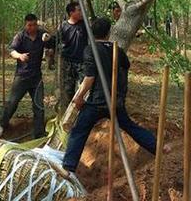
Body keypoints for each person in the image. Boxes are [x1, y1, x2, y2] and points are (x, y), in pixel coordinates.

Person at [61, 17, 168, 174]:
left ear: (91, 32)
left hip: (97, 102)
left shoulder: (90, 49)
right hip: (115, 100)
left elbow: (89, 77)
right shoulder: (117, 49)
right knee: (131, 127)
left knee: (79, 130)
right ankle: (159, 148)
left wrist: (79, 97)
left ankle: (68, 167)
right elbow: (126, 65)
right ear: (108, 32)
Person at [0, 14, 54, 139]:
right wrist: (20, 56)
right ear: (25, 24)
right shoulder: (20, 36)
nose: (32, 27)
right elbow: (11, 50)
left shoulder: (42, 34)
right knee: (12, 102)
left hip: (36, 77)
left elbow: (52, 43)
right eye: (29, 25)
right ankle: (2, 124)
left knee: (39, 106)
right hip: (22, 77)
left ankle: (39, 134)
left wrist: (49, 42)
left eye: (34, 25)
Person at [47, 1, 89, 110]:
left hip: (82, 62)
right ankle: (67, 113)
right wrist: (47, 40)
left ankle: (83, 113)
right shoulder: (63, 26)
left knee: (84, 89)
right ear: (71, 12)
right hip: (68, 63)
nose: (81, 12)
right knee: (67, 90)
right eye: (79, 10)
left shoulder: (85, 24)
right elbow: (55, 41)